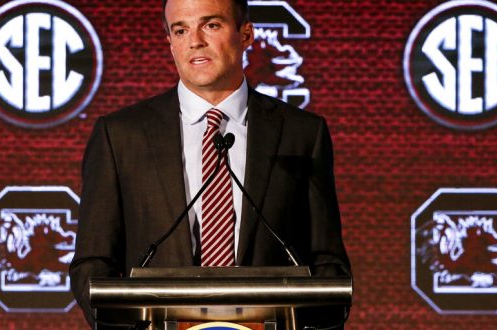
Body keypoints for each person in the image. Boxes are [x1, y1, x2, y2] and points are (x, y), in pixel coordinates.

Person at [70, 0, 351, 326]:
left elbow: (327, 262)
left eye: (211, 25)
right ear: (170, 43)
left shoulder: (302, 133)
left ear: (245, 34)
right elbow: (92, 263)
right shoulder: (120, 135)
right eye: (180, 30)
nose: (195, 40)